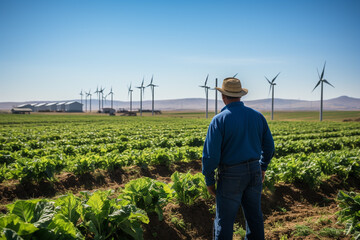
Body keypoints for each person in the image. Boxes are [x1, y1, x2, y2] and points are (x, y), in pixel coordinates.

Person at [202, 77, 275, 240]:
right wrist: (262, 167)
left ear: (223, 96)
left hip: (230, 176)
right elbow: (269, 147)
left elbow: (210, 156)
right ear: (240, 95)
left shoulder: (219, 120)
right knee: (254, 218)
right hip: (254, 171)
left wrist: (209, 180)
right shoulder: (258, 116)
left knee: (224, 222)